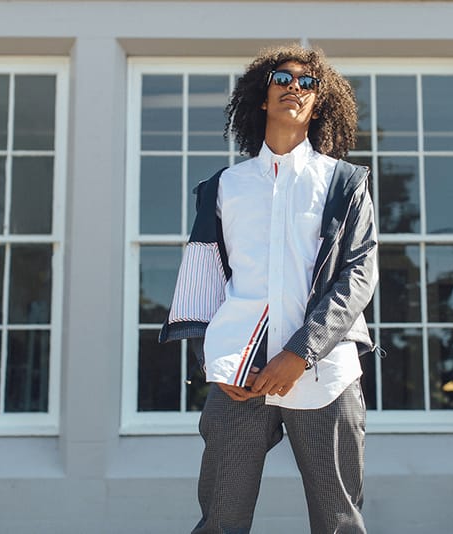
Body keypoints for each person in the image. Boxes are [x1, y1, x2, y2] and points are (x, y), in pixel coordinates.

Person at [160, 44, 379, 534]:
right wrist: (214, 363)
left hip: (327, 374)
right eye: (283, 79)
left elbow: (357, 276)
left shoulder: (344, 183)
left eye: (307, 83)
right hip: (241, 375)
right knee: (221, 520)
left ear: (319, 101)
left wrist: (301, 352)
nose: (294, 89)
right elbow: (204, 280)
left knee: (339, 523)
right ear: (263, 96)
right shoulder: (223, 187)